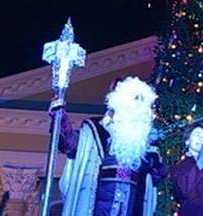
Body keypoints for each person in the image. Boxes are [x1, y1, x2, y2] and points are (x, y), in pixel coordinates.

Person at [58, 76, 167, 216]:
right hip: (98, 202)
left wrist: (157, 162)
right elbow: (71, 146)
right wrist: (61, 120)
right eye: (135, 98)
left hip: (132, 205)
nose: (138, 105)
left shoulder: (146, 142)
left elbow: (157, 177)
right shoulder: (97, 129)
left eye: (141, 99)